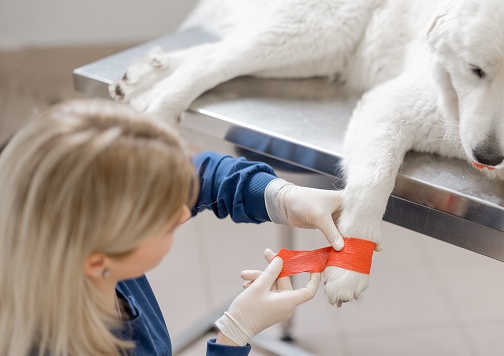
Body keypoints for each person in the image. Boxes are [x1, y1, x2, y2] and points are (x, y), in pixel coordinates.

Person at [0, 98, 345, 356]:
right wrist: (234, 335)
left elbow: (193, 172)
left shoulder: (66, 229)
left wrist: (280, 196)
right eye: (162, 221)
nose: (183, 214)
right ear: (97, 261)